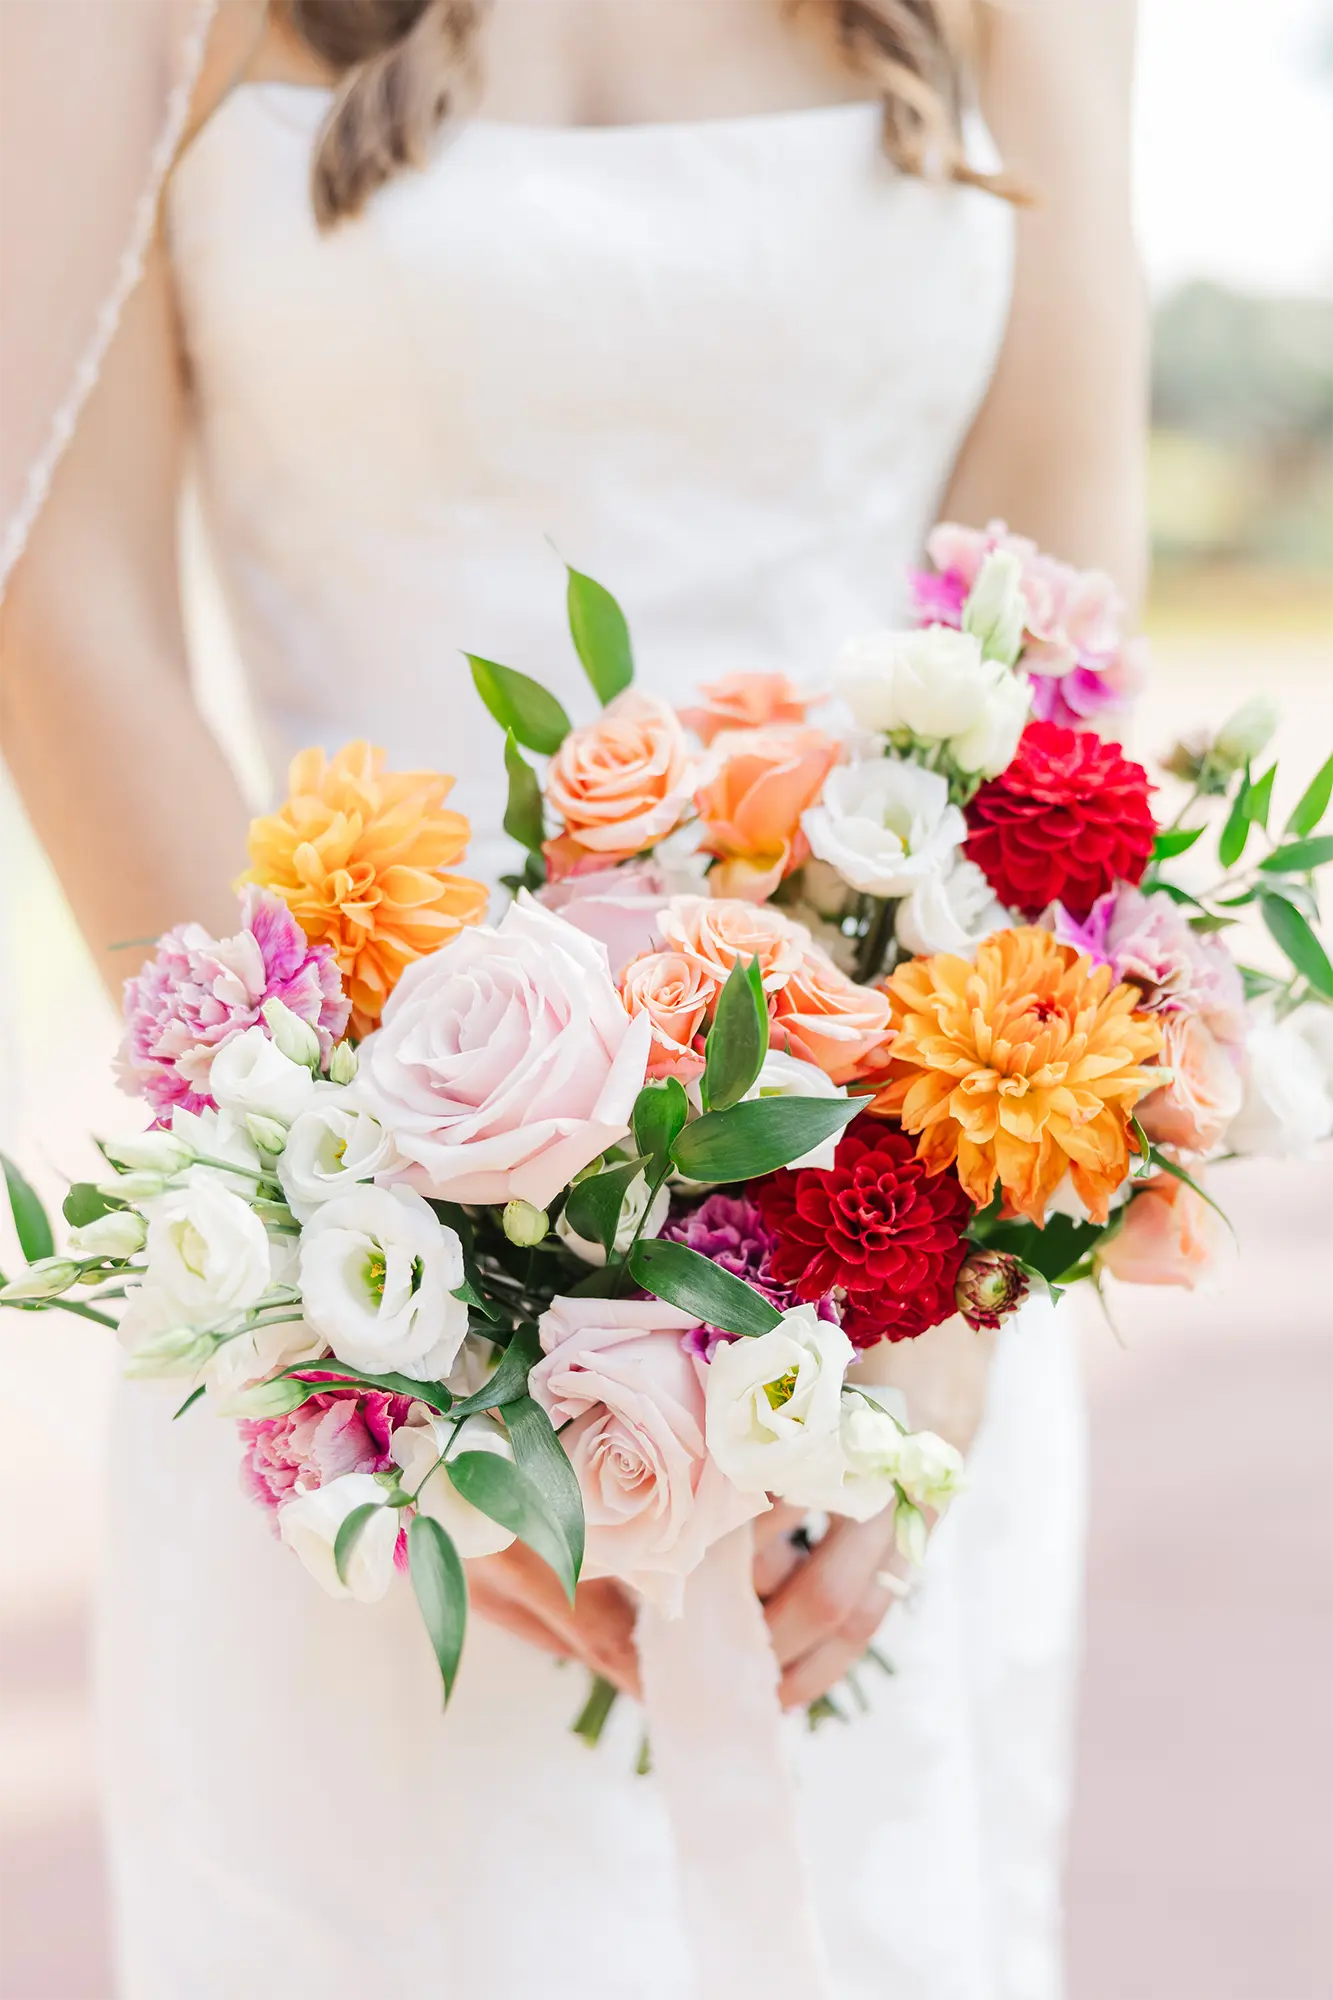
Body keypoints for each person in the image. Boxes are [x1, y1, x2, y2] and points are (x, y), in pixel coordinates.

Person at [0, 1, 1145, 1992]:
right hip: (342, 1269)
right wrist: (374, 1314)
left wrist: (943, 1307)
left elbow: (1059, 637)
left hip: (879, 1312)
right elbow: (59, 598)